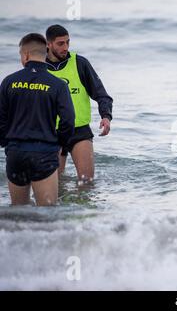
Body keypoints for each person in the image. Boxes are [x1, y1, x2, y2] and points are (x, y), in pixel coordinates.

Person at [0, 33, 75, 206]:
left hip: (16, 153)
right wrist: (59, 143)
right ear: (46, 54)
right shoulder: (58, 85)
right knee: (48, 212)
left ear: (25, 54)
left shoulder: (9, 82)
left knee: (18, 212)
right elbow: (68, 120)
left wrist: (7, 143)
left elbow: (1, 119)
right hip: (44, 153)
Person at [45, 24, 113, 183]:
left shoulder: (80, 63)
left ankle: (81, 209)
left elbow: (102, 95)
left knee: (87, 183)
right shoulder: (39, 68)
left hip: (79, 130)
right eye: (60, 43)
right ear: (48, 44)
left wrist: (106, 116)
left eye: (68, 42)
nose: (65, 47)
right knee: (55, 184)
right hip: (50, 132)